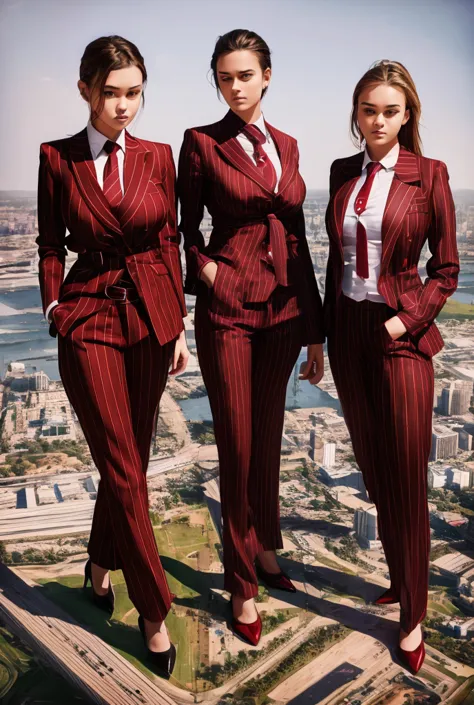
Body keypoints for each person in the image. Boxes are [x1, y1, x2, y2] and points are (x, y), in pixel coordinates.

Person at [36, 35, 189, 677]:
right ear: (85, 91)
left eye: (134, 94)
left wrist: (178, 321)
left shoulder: (159, 155)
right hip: (90, 315)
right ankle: (153, 610)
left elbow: (170, 237)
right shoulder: (56, 157)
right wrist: (51, 308)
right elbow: (49, 241)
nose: (124, 106)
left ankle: (97, 573)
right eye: (111, 93)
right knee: (126, 468)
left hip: (152, 319)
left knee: (128, 461)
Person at [178, 29, 324, 646]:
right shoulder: (201, 143)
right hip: (229, 313)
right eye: (223, 77)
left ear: (267, 75)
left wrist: (315, 332)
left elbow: (297, 236)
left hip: (285, 313)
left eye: (244, 75)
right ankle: (241, 586)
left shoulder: (288, 145)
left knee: (269, 440)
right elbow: (182, 232)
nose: (234, 87)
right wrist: (212, 275)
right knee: (237, 445)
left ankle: (265, 550)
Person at [324, 59, 459, 674]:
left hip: (401, 335)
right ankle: (402, 580)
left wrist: (407, 320)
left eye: (389, 111)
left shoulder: (429, 175)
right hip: (348, 334)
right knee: (376, 473)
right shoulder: (340, 173)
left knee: (407, 481)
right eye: (368, 110)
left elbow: (447, 270)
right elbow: (334, 263)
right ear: (356, 113)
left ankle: (412, 616)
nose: (377, 121)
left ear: (408, 116)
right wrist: (320, 340)